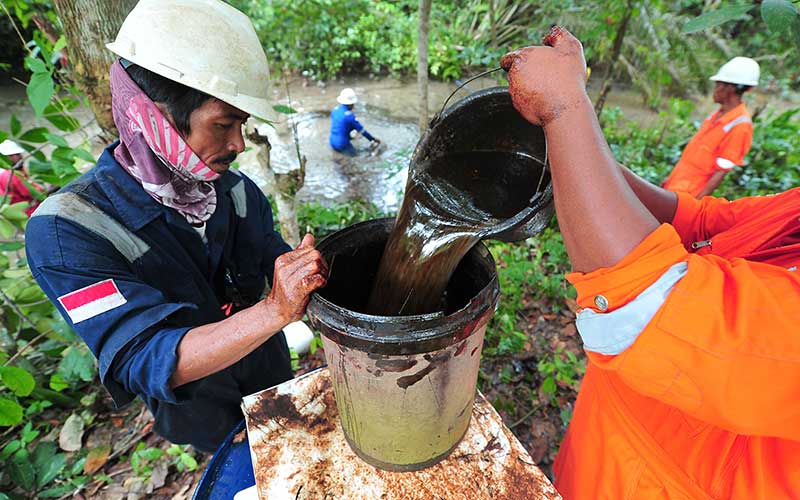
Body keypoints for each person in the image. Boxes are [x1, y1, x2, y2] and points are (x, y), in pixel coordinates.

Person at [502, 27, 798, 499]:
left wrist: (564, 111)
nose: (716, 90)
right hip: (603, 451)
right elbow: (698, 221)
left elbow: (644, 306)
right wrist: (577, 155)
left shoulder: (738, 126)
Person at [25, 0, 328, 453]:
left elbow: (273, 257)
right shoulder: (68, 231)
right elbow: (140, 354)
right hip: (200, 411)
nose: (238, 144)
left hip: (269, 378)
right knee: (232, 466)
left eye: (241, 124)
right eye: (223, 125)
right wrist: (273, 312)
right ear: (154, 117)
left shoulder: (238, 193)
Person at [662, 56, 760, 198]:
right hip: (674, 187)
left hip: (688, 196)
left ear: (730, 88)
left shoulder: (740, 126)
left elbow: (721, 171)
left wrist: (696, 205)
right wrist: (669, 180)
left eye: (718, 84)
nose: (714, 90)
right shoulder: (717, 116)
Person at [329, 88, 380, 156]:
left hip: (332, 142)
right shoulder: (350, 116)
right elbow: (362, 131)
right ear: (350, 104)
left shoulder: (335, 110)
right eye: (353, 104)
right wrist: (373, 139)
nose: (353, 105)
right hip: (342, 144)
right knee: (357, 156)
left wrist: (350, 137)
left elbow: (340, 127)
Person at [0, 139, 42, 216]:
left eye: (18, 154)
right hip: (29, 211)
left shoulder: (18, 171)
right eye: (12, 155)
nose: (18, 157)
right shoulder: (11, 176)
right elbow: (29, 193)